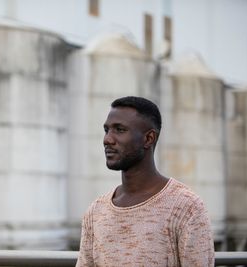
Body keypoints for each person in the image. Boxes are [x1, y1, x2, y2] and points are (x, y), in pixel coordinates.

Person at [76, 96, 214, 267]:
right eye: (106, 130)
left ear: (148, 139)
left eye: (119, 130)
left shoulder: (187, 207)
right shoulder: (96, 212)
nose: (107, 139)